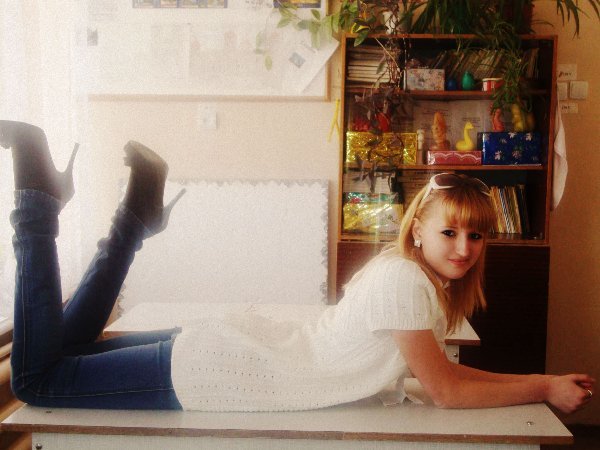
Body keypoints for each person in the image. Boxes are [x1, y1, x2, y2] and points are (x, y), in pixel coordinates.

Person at [1, 120, 594, 413]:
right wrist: (542, 386)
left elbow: (440, 378)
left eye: (476, 235)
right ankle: (40, 206)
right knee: (35, 381)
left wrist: (538, 382)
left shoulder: (405, 272)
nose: (464, 247)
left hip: (227, 352)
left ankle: (134, 219)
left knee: (67, 353)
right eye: (449, 232)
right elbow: (447, 389)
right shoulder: (406, 284)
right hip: (216, 372)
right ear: (417, 228)